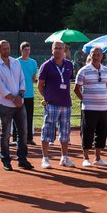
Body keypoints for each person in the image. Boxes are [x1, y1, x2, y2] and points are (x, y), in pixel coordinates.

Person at [0, 39, 31, 171]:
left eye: (8, 48)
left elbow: (22, 80)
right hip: (5, 105)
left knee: (23, 133)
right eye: (4, 49)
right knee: (5, 134)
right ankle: (6, 161)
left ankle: (22, 159)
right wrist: (14, 99)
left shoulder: (16, 62)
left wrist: (20, 95)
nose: (7, 51)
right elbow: (0, 88)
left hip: (20, 104)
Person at [37, 41, 76, 169]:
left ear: (64, 50)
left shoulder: (69, 64)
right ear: (52, 50)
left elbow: (68, 80)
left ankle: (64, 157)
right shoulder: (46, 65)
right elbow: (40, 84)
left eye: (60, 48)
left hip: (66, 104)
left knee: (65, 131)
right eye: (56, 48)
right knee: (47, 130)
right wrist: (46, 98)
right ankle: (45, 159)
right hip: (52, 104)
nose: (58, 50)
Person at [75, 46, 107, 167]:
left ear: (102, 56)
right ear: (89, 55)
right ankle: (85, 158)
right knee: (87, 133)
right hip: (89, 108)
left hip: (104, 108)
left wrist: (100, 95)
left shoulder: (106, 70)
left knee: (101, 133)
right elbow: (76, 89)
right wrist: (84, 99)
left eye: (98, 55)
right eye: (93, 55)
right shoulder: (83, 70)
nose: (95, 57)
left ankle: (98, 157)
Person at [18, 41, 39, 145]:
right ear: (21, 50)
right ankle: (16, 138)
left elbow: (33, 78)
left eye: (28, 50)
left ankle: (29, 138)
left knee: (29, 116)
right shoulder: (16, 62)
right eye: (25, 50)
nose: (27, 52)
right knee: (17, 117)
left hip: (29, 94)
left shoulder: (33, 62)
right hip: (18, 95)